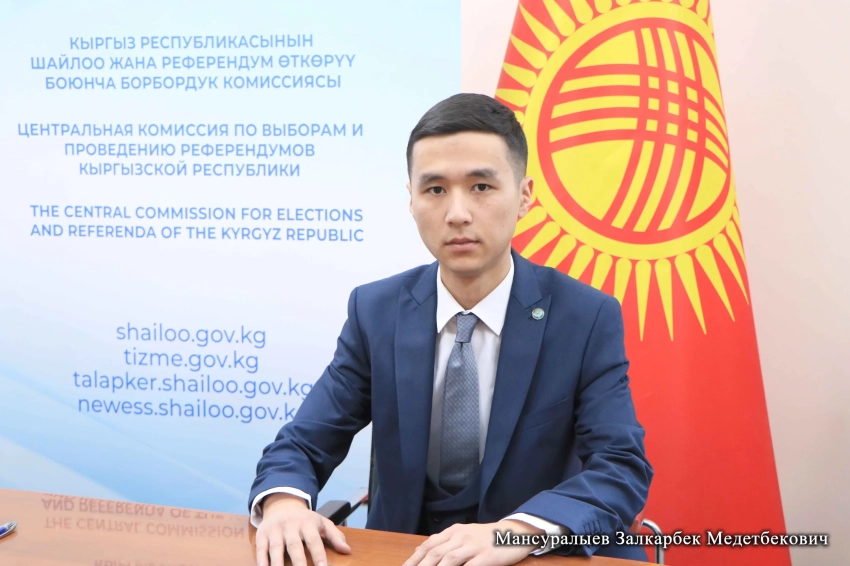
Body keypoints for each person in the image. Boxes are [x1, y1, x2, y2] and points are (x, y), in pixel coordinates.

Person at [249, 93, 653, 566]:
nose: (457, 213)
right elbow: (304, 441)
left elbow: (621, 467)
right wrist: (284, 503)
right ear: (412, 200)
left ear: (524, 196)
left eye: (481, 186)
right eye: (436, 190)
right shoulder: (376, 311)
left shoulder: (585, 317)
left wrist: (515, 533)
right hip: (407, 555)